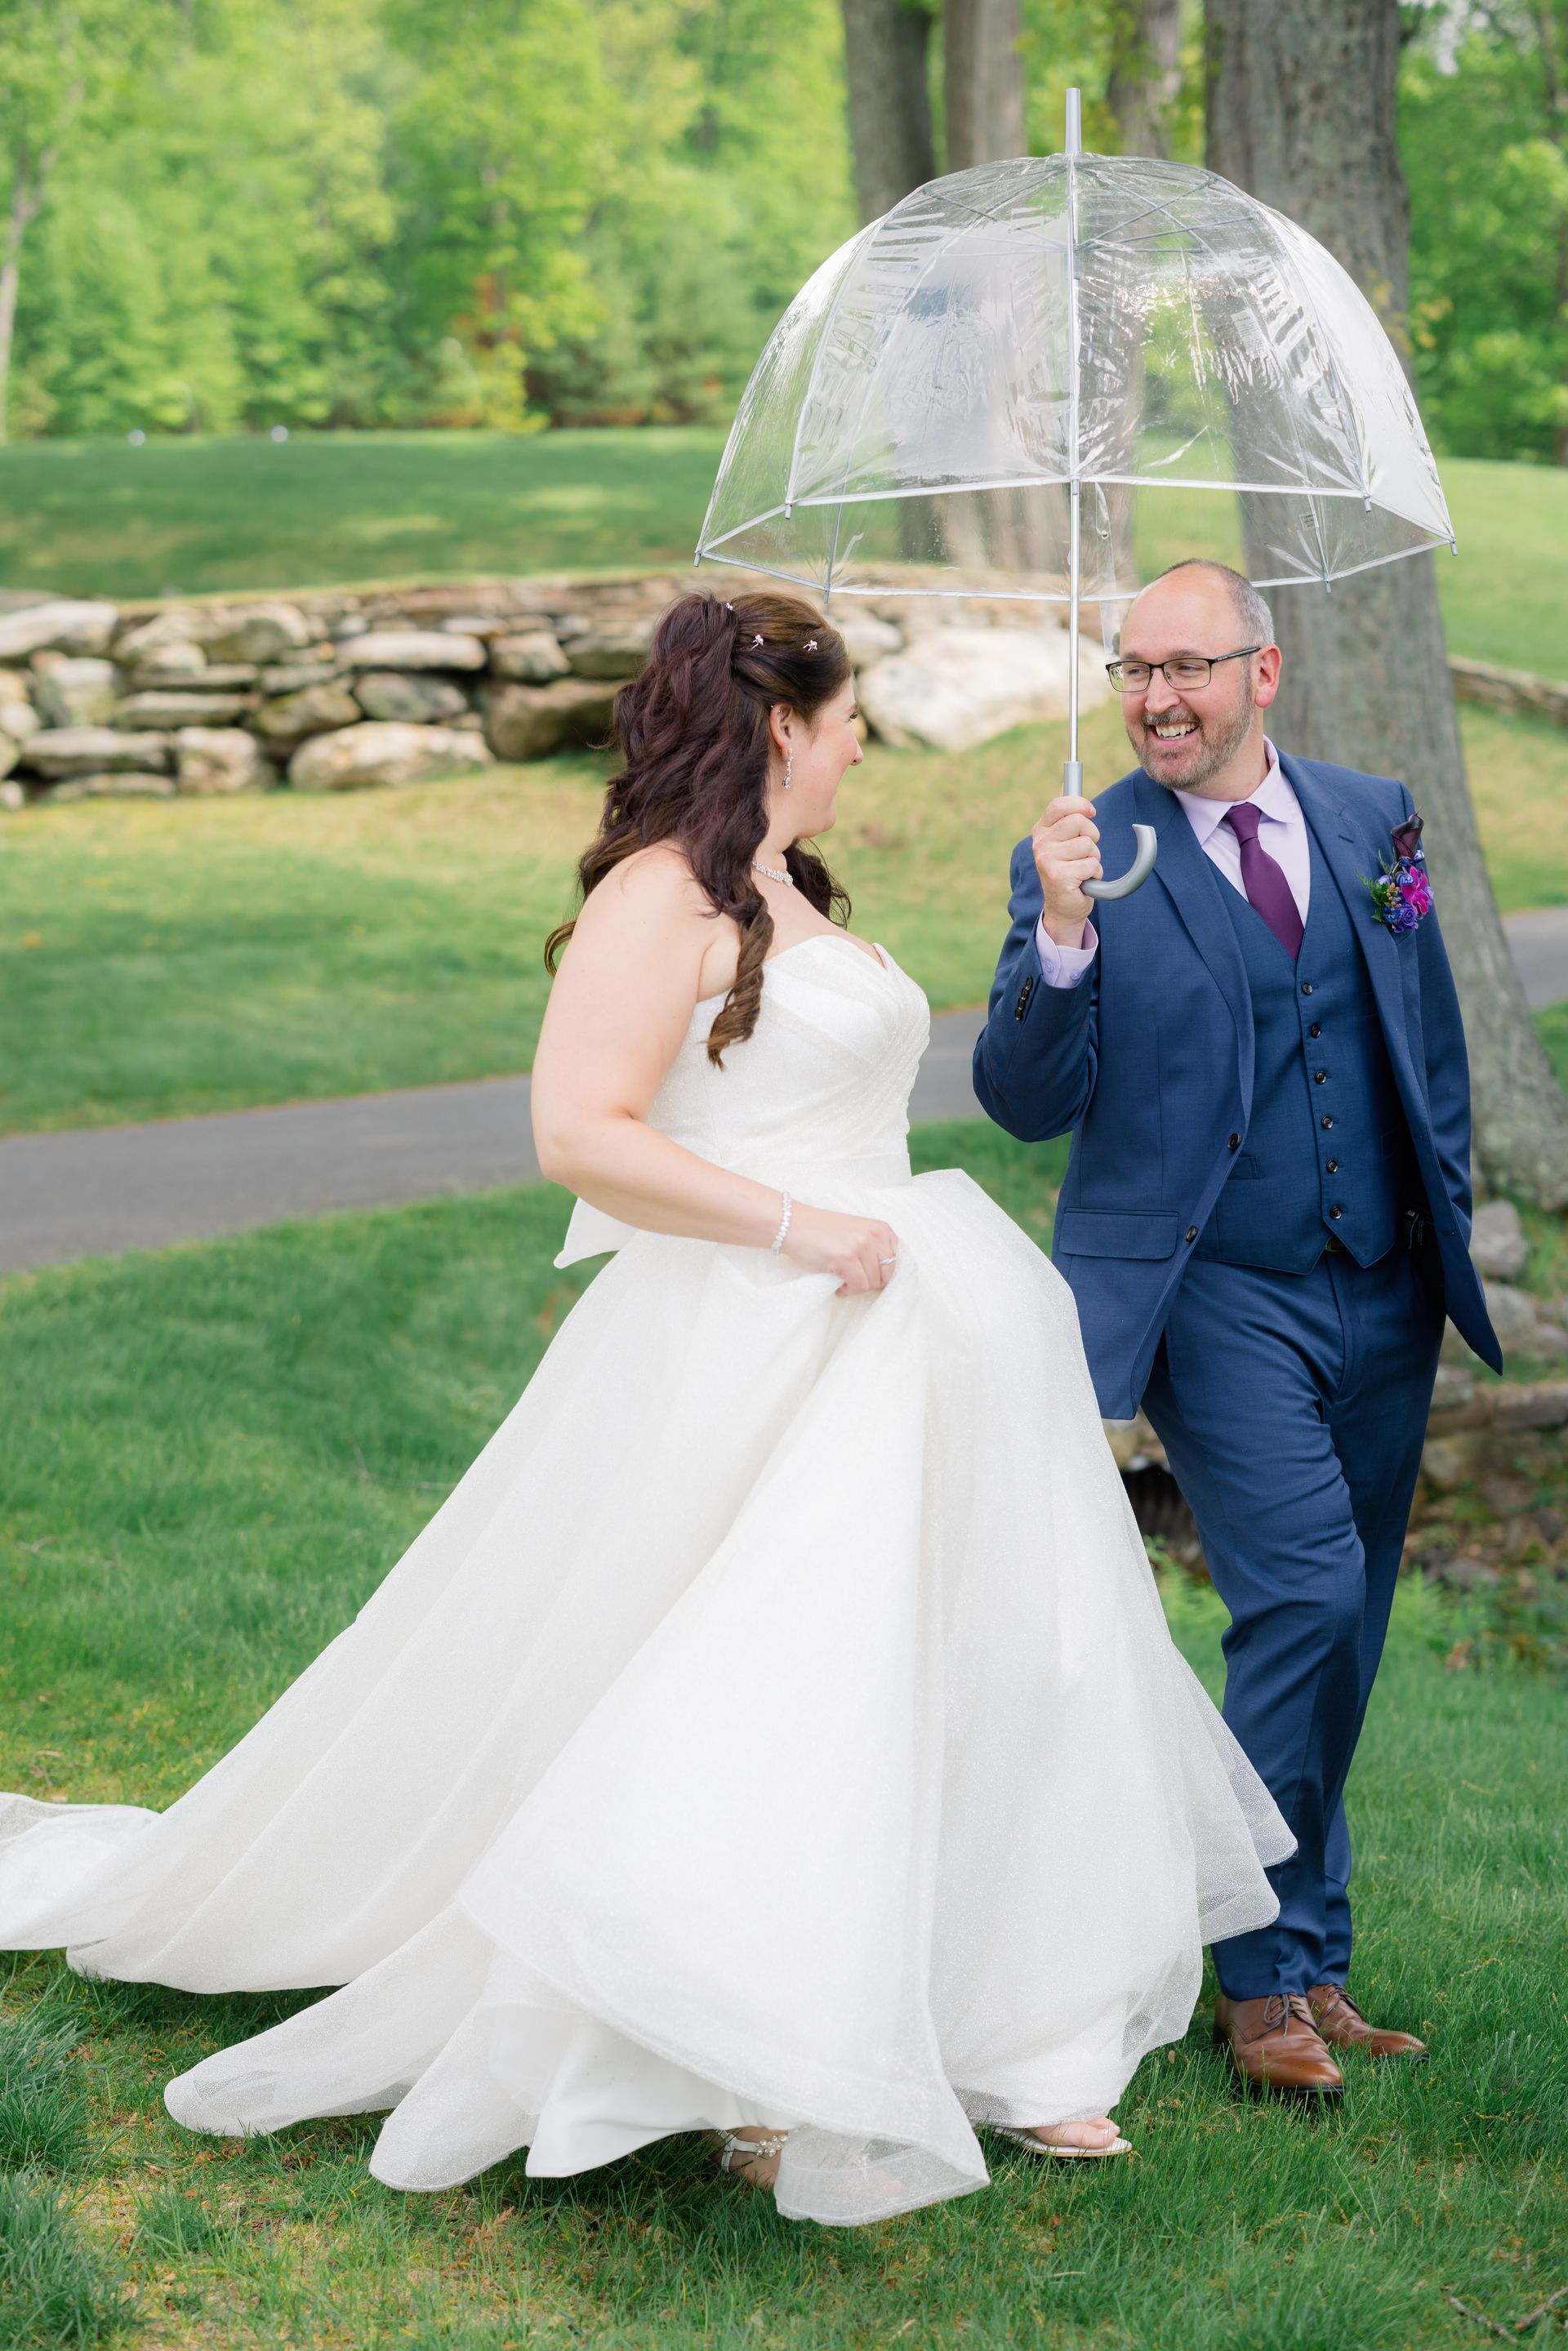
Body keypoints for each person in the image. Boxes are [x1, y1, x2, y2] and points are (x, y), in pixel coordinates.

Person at [0, 590, 1290, 2228]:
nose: (862, 745)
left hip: (907, 1313)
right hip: (759, 1312)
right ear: (776, 732)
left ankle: (998, 2017)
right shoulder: (653, 894)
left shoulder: (785, 888)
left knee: (979, 1662)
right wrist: (797, 1227)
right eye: (844, 723)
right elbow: (579, 1132)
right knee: (759, 1680)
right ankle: (737, 2050)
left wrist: (1054, 910)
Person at [974, 559, 1500, 2099]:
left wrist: (1442, 1210)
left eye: (1190, 667)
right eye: (1135, 669)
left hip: (1384, 1283)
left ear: (1263, 674)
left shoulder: (1371, 813)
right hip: (1212, 1292)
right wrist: (1062, 931)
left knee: (1351, 1630)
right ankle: (1256, 1977)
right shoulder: (1088, 854)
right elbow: (1021, 1103)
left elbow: (1426, 1022)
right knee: (1305, 1595)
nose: (1156, 699)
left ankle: (1312, 1952)